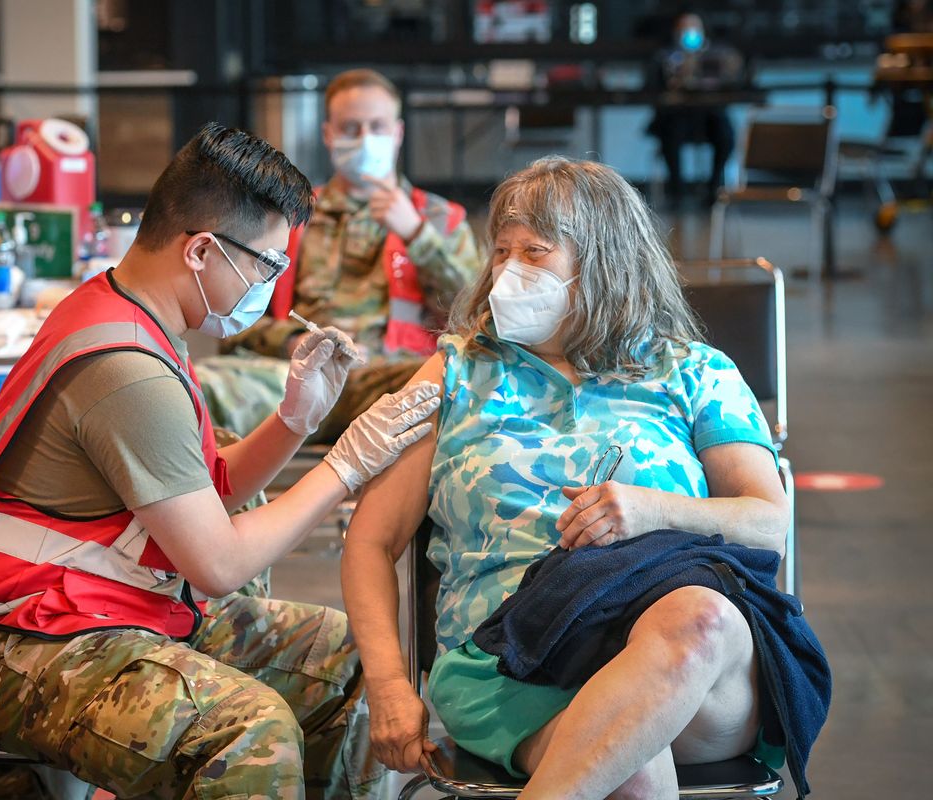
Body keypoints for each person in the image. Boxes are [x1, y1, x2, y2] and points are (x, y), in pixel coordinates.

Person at [0, 123, 442, 800]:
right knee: (248, 732)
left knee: (353, 659)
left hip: (99, 613)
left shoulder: (132, 311)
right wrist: (344, 463)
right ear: (201, 251)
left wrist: (295, 422)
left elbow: (205, 491)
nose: (271, 286)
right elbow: (217, 564)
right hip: (11, 649)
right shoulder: (125, 368)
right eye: (266, 265)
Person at [341, 157, 830, 799]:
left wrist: (654, 511)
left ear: (603, 262)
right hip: (511, 664)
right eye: (501, 252)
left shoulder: (694, 372)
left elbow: (768, 525)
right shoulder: (455, 373)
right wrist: (388, 686)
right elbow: (370, 541)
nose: (508, 273)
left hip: (692, 663)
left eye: (535, 253)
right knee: (622, 765)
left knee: (701, 619)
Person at [196, 68, 481, 442]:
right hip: (296, 376)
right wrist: (293, 341)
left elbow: (477, 316)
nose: (365, 140)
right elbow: (228, 320)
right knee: (197, 384)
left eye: (377, 127)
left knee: (462, 385)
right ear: (328, 134)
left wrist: (416, 234)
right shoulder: (288, 219)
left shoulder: (439, 220)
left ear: (397, 134)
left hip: (390, 378)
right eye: (350, 128)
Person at [645, 13, 743, 207]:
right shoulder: (665, 56)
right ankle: (677, 191)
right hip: (676, 116)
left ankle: (714, 187)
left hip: (709, 115)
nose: (690, 32)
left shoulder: (719, 54)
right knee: (671, 134)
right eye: (684, 28)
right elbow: (653, 87)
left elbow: (731, 80)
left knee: (725, 135)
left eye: (694, 27)